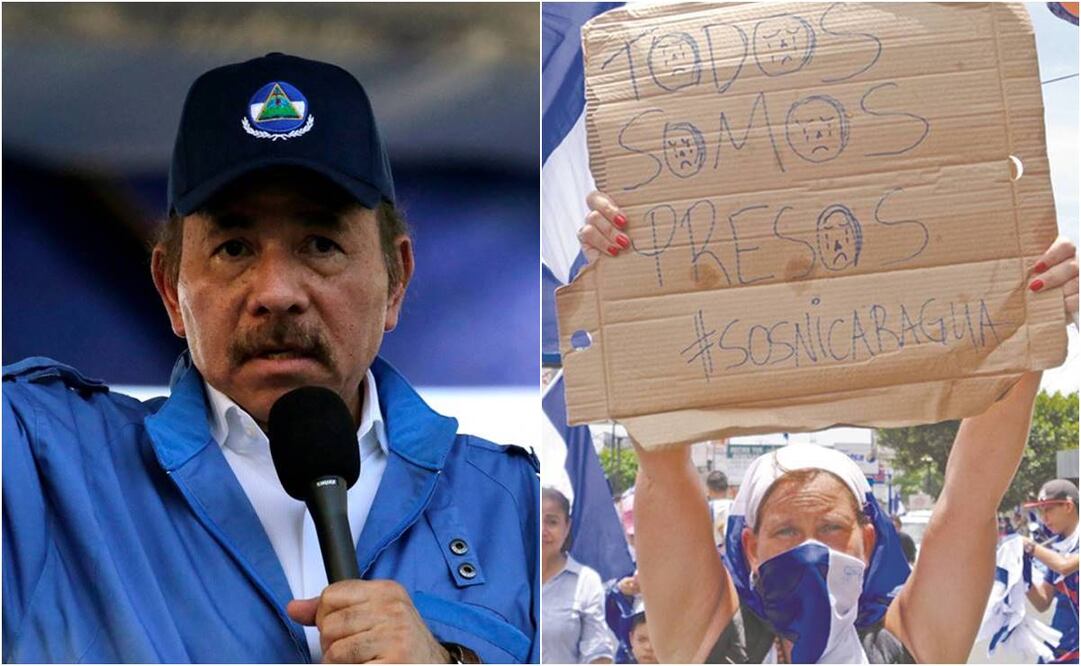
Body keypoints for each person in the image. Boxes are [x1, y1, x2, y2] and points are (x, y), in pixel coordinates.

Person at [2, 53, 538, 664]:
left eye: (320, 243)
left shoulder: (523, 507)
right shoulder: (41, 468)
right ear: (169, 290)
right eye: (233, 248)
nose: (276, 292)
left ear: (396, 280)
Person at [578, 190, 1079, 663]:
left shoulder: (911, 644)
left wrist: (1026, 325)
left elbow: (972, 494)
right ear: (750, 546)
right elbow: (663, 466)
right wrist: (632, 269)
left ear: (867, 536)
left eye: (831, 528)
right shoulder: (709, 640)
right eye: (786, 530)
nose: (810, 549)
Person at [542, 487, 618, 664]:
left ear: (567, 527)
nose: (542, 530)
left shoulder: (585, 581)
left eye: (552, 522)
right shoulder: (508, 577)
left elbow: (597, 651)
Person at [1023, 479, 1080, 663]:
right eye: (1041, 511)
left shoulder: (1058, 554)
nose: (1044, 518)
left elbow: (1064, 566)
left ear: (1068, 506)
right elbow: (1042, 602)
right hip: (1059, 650)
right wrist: (1022, 574)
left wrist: (1030, 547)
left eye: (1049, 510)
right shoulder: (1057, 547)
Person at [707, 471, 734, 550]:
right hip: (731, 554)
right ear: (727, 489)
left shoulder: (706, 508)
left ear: (709, 490)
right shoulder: (734, 506)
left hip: (712, 554)